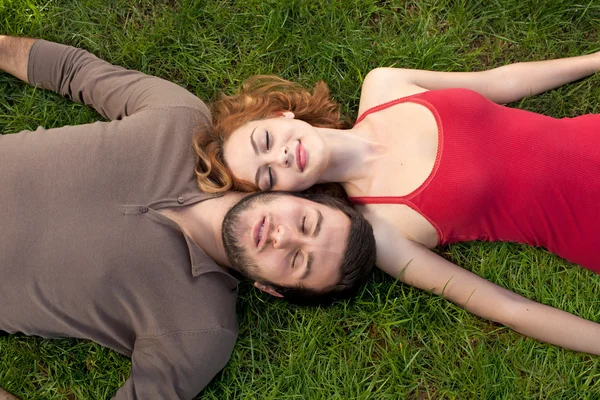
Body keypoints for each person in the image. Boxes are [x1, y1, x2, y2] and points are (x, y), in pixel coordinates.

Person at [0, 36, 376, 400]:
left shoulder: (200, 331)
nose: (283, 236)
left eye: (297, 261)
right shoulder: (180, 120)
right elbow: (72, 70)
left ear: (272, 289)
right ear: (297, 194)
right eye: (307, 223)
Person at [194, 52, 600, 355]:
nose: (279, 156)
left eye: (265, 141)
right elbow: (504, 306)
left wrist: (593, 60)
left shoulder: (384, 85)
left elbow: (502, 80)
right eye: (267, 175)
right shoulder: (380, 229)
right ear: (281, 195)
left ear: (282, 115)